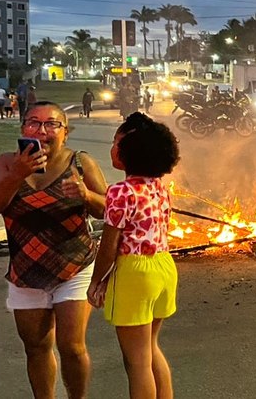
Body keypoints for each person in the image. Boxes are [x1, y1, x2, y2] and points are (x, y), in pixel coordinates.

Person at [0, 101, 109, 399]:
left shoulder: (80, 163)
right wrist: (16, 174)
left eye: (52, 124)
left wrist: (86, 195)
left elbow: (107, 210)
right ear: (23, 128)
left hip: (74, 265)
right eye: (34, 123)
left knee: (72, 347)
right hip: (26, 270)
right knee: (35, 347)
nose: (42, 130)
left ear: (65, 132)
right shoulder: (5, 164)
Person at [88, 113, 181, 399]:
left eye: (117, 142)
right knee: (151, 349)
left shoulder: (120, 192)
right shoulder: (160, 188)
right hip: (163, 267)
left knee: (136, 362)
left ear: (131, 151)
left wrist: (96, 282)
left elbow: (110, 244)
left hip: (134, 273)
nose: (113, 148)